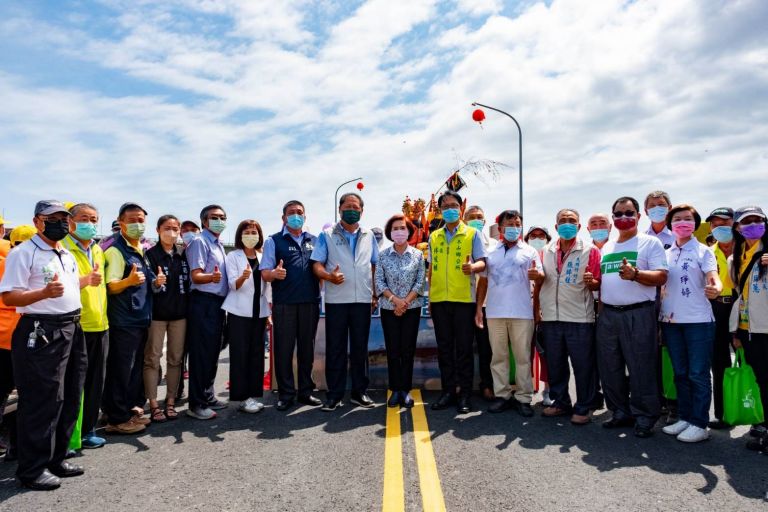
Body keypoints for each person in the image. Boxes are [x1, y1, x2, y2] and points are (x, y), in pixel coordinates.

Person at [0, 200, 88, 490]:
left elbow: (69, 289)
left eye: (64, 218)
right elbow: (10, 297)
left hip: (72, 326)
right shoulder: (24, 253)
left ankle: (56, 458)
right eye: (54, 218)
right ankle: (33, 469)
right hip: (42, 329)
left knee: (70, 394)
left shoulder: (64, 252)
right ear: (38, 221)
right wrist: (42, 293)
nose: (61, 223)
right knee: (42, 399)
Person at [597, 196, 668, 438]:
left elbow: (661, 277)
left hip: (638, 313)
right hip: (608, 315)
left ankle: (645, 415)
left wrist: (636, 274)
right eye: (618, 214)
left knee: (641, 367)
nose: (623, 218)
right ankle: (619, 411)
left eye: (629, 213)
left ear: (639, 216)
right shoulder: (606, 247)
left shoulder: (650, 243)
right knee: (610, 367)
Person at [658, 205, 721, 443]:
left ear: (695, 224)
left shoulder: (703, 251)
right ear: (670, 224)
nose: (682, 223)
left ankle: (700, 423)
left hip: (698, 322)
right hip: (671, 321)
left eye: (688, 219)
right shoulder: (666, 252)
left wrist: (715, 288)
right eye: (677, 219)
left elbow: (712, 277)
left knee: (698, 374)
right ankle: (685, 417)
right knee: (680, 373)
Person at [311, 193, 378, 411]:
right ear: (339, 209)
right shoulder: (327, 235)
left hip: (362, 300)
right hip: (337, 301)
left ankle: (360, 392)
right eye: (347, 206)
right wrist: (329, 276)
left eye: (356, 207)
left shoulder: (369, 236)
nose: (352, 210)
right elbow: (317, 265)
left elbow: (374, 266)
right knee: (336, 348)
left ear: (362, 211)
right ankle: (335, 394)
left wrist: (374, 294)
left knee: (360, 348)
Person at [537, 209, 602, 425]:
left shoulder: (590, 251)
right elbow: (539, 281)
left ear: (579, 226)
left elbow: (596, 283)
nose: (567, 224)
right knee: (555, 364)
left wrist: (592, 281)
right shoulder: (544, 251)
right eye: (562, 221)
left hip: (580, 318)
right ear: (556, 227)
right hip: (551, 318)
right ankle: (560, 402)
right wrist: (537, 309)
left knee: (583, 365)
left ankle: (584, 405)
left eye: (571, 221)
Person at [260, 201, 322, 411]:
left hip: (310, 303)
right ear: (283, 217)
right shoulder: (273, 241)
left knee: (307, 350)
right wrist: (274, 274)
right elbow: (265, 272)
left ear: (305, 216)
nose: (296, 216)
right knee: (284, 350)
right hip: (284, 304)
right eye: (291, 213)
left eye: (299, 213)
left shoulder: (314, 240)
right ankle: (286, 394)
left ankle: (306, 391)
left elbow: (321, 268)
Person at [103, 203, 159, 434]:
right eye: (132, 220)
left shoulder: (141, 250)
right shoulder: (115, 250)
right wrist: (128, 282)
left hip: (140, 318)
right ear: (121, 222)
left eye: (141, 220)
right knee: (120, 370)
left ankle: (127, 411)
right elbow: (111, 285)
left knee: (134, 368)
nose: (138, 225)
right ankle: (116, 418)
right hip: (123, 320)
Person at [428, 191, 487, 414]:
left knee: (463, 349)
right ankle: (448, 391)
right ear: (440, 210)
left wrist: (472, 267)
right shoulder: (434, 237)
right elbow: (431, 270)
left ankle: (464, 395)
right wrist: (432, 298)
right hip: (440, 299)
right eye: (445, 206)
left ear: (461, 208)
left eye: (454, 205)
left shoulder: (472, 234)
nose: (450, 209)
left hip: (464, 300)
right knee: (444, 348)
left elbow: (483, 263)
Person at [476, 209, 538, 416]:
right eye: (509, 224)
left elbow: (539, 280)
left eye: (517, 224)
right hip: (494, 312)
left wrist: (537, 277)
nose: (514, 228)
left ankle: (523, 397)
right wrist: (479, 308)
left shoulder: (529, 251)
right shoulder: (490, 252)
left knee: (522, 357)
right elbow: (483, 281)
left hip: (522, 312)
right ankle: (502, 395)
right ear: (500, 228)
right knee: (498, 357)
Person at [61, 204, 109, 449]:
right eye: (84, 219)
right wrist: (84, 280)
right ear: (70, 221)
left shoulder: (98, 250)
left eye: (94, 219)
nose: (89, 224)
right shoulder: (63, 249)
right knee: (73, 386)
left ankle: (89, 429)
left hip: (101, 324)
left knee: (94, 383)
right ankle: (70, 437)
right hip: (77, 324)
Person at [725, 206, 768, 451]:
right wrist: (735, 332)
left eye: (758, 220)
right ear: (738, 228)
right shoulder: (736, 257)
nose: (753, 225)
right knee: (762, 379)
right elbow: (738, 294)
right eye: (746, 222)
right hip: (747, 327)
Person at [375, 214, 426, 408]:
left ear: (409, 231)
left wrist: (405, 302)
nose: (399, 231)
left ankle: (405, 390)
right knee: (393, 350)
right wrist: (395, 301)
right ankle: (395, 390)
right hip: (389, 309)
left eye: (402, 228)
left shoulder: (418, 255)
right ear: (390, 232)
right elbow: (379, 282)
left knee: (407, 350)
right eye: (395, 228)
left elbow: (420, 281)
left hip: (411, 309)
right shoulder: (383, 255)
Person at [143, 215, 189, 423]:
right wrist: (157, 282)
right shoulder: (150, 254)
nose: (171, 232)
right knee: (152, 359)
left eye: (175, 228)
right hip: (157, 316)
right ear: (158, 230)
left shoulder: (183, 253)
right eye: (167, 228)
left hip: (180, 315)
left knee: (175, 359)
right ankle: (153, 403)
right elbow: (147, 284)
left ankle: (170, 401)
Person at [185, 205, 229, 420]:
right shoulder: (199, 242)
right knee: (201, 355)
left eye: (222, 217)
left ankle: (208, 396)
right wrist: (211, 278)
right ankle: (196, 404)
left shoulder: (217, 244)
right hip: (203, 303)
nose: (219, 221)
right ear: (204, 221)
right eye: (214, 217)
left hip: (217, 304)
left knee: (212, 353)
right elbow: (196, 276)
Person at [222, 220, 270, 413]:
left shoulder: (263, 255)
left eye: (254, 232)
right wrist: (243, 276)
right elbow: (233, 285)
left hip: (259, 310)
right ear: (240, 236)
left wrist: (269, 313)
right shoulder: (233, 256)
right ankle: (241, 398)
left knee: (257, 354)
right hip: (238, 311)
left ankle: (253, 395)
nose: (251, 235)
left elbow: (267, 286)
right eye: (247, 232)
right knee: (240, 354)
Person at [0, 225, 36, 461]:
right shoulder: (28, 264)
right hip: (25, 337)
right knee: (27, 394)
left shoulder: (6, 258)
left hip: (5, 337)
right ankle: (16, 445)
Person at [706, 207, 736, 430]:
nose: (720, 228)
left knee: (752, 361)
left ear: (734, 223)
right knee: (719, 362)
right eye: (715, 225)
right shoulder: (708, 252)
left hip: (741, 307)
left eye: (724, 223)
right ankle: (722, 413)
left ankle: (757, 417)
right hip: (716, 309)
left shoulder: (748, 249)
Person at [464, 205, 496, 400]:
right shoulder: (462, 240)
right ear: (465, 219)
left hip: (488, 303)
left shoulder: (494, 245)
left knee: (487, 348)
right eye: (472, 217)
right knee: (464, 347)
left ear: (484, 221)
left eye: (479, 217)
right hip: (464, 301)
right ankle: (462, 385)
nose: (476, 220)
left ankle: (488, 384)